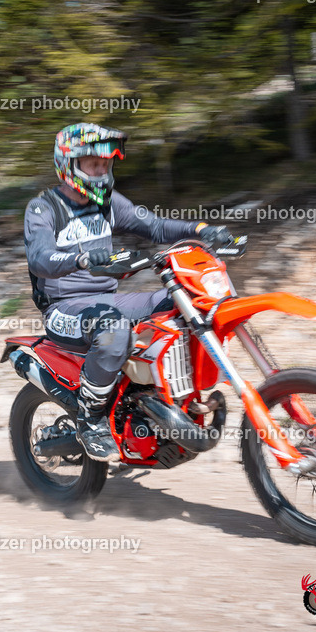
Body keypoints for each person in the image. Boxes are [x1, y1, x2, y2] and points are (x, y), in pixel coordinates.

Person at [23, 123, 233, 462]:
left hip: (107, 301)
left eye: (106, 165)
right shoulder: (43, 208)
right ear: (69, 165)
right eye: (94, 165)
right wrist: (82, 258)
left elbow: (155, 226)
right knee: (114, 330)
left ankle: (171, 396)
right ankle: (90, 419)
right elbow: (41, 259)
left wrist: (203, 229)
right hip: (63, 310)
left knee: (187, 303)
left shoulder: (107, 202)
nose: (102, 172)